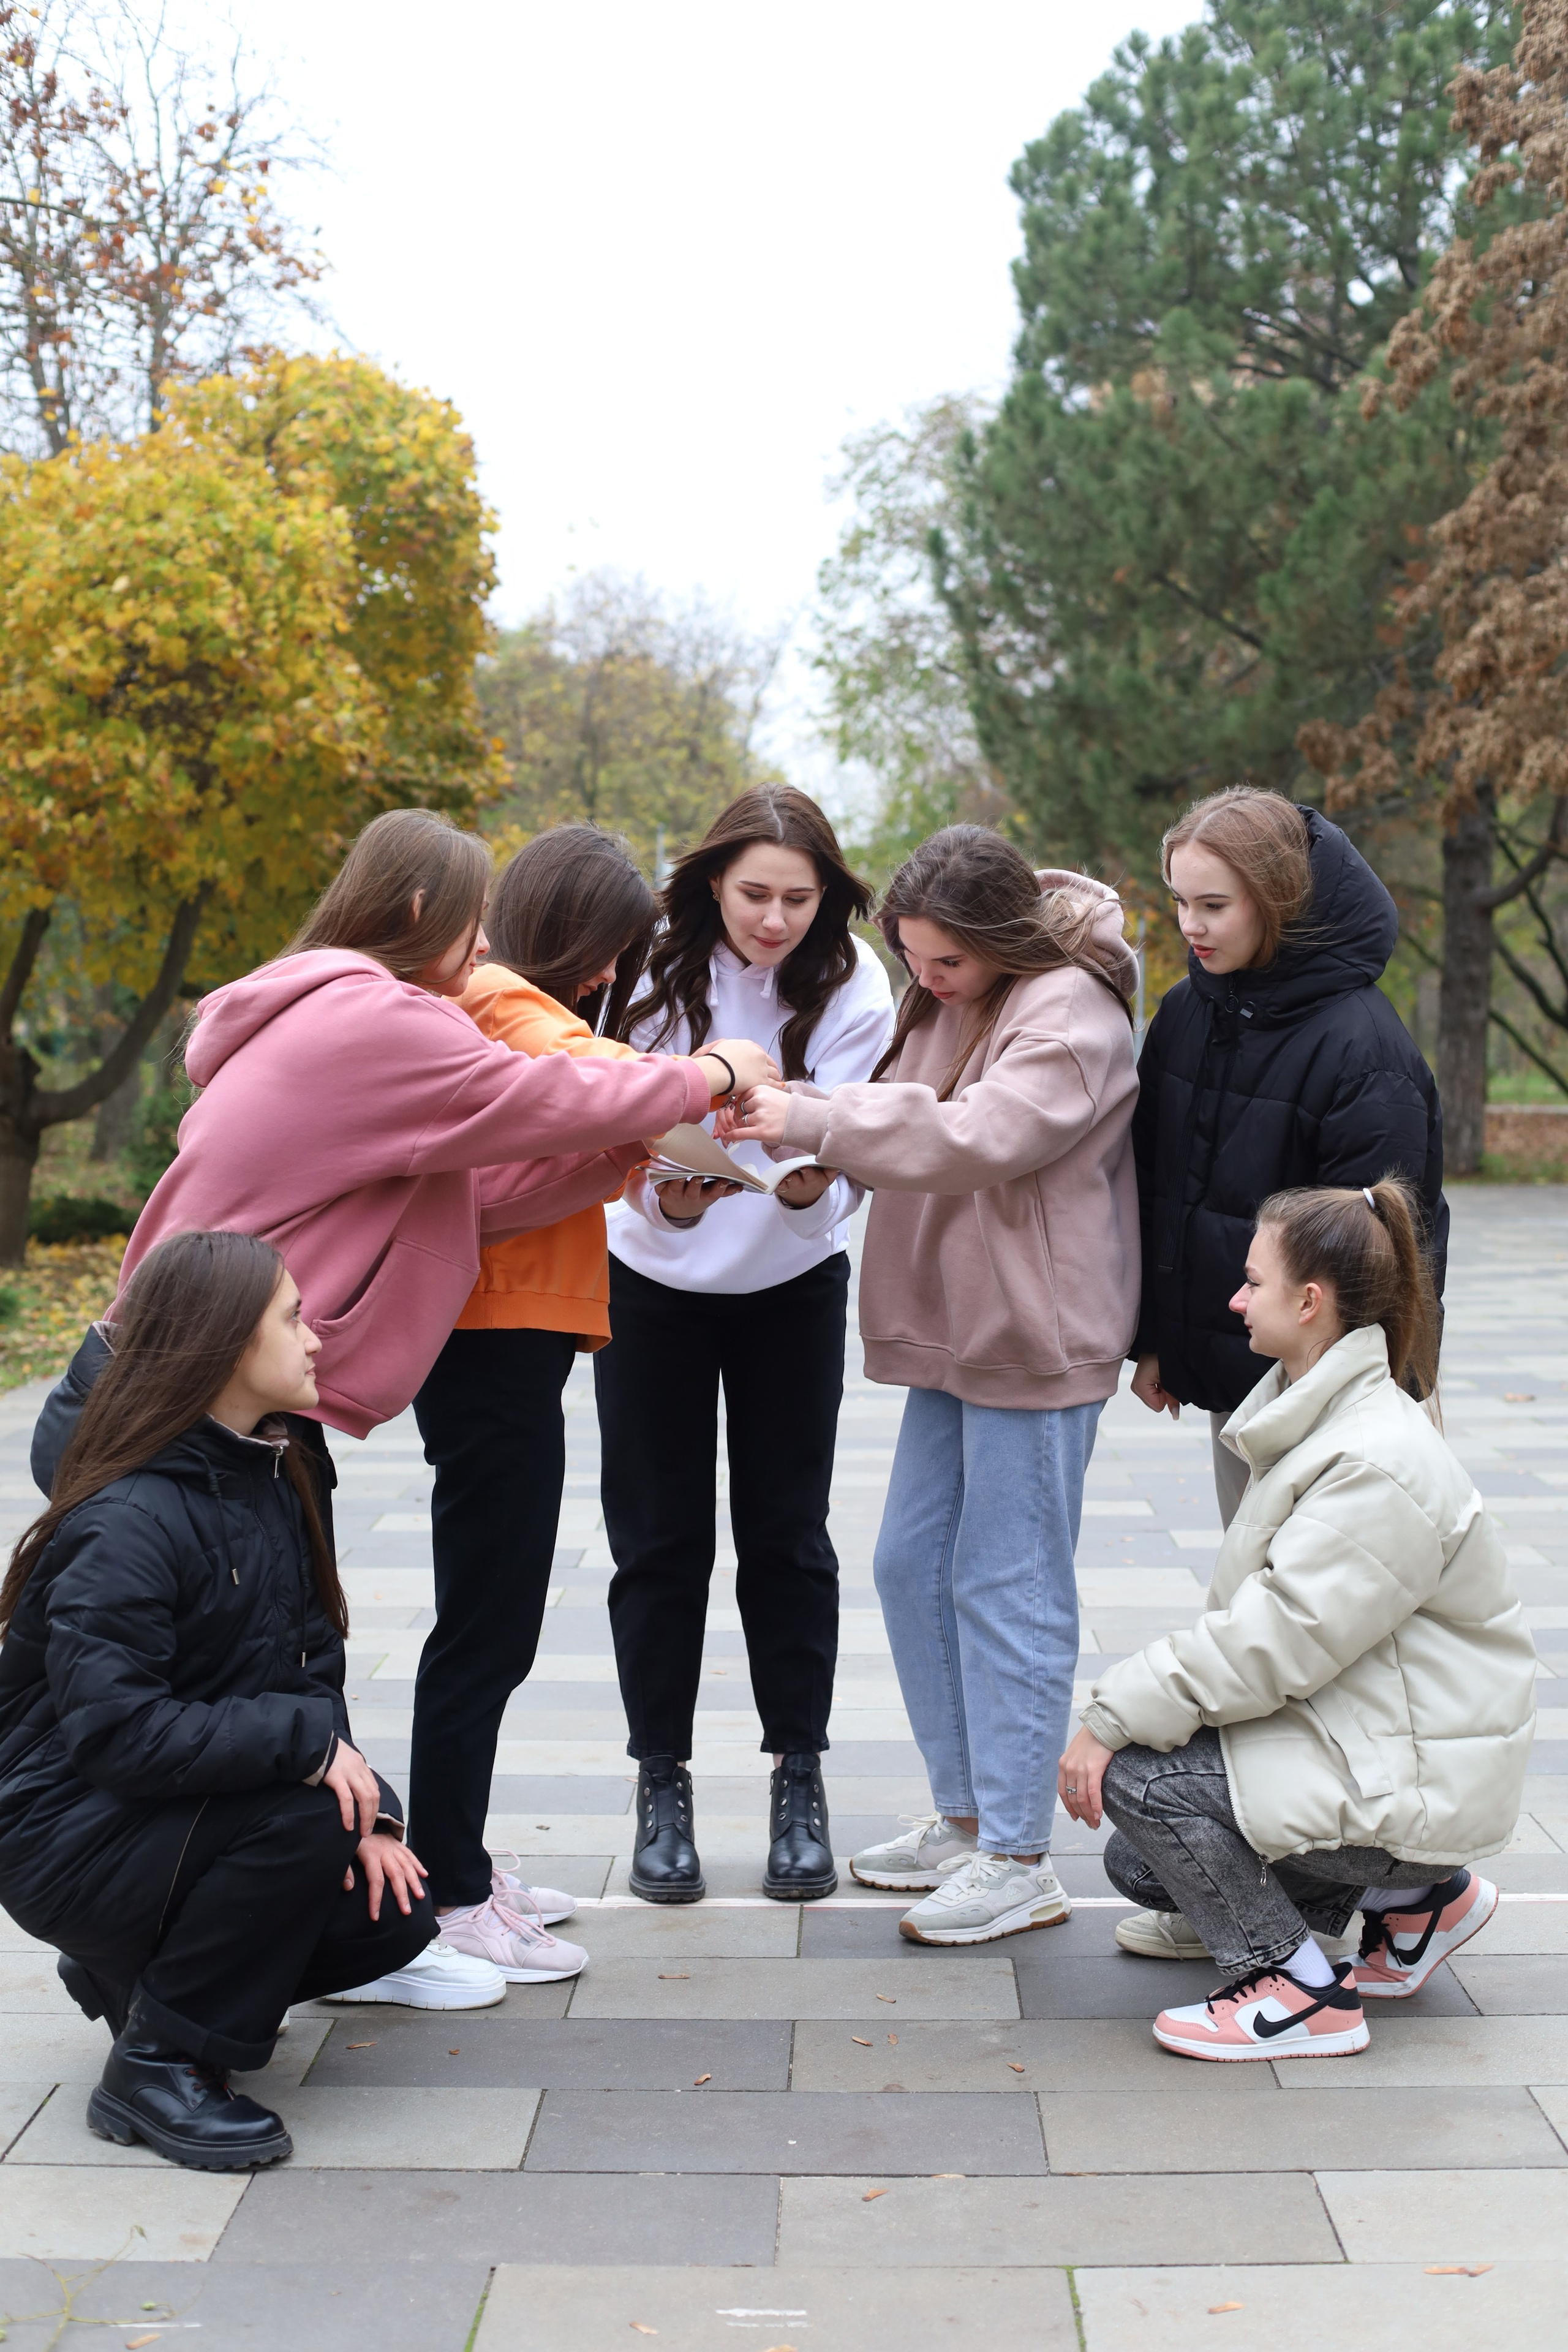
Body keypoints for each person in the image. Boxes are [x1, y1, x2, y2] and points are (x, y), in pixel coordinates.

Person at [31, 807, 777, 2007]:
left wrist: (639, 1155)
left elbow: (478, 1193)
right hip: (161, 1411)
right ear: (427, 912)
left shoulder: (346, 1021)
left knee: (286, 1661)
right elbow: (540, 1102)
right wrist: (712, 1074)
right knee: (246, 1692)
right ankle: (235, 1950)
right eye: (475, 921)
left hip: (206, 1404)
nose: (487, 950)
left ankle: (330, 1920)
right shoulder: (375, 1019)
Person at [731, 827, 1139, 1945]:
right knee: (914, 1564)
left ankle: (1017, 1853)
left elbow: (981, 1134)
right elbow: (908, 1112)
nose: (927, 979)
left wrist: (817, 1117)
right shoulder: (953, 993)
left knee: (1009, 1584)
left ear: (1001, 940)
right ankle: (968, 1819)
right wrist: (832, 1149)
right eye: (914, 958)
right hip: (957, 1327)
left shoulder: (1073, 1010)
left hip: (1034, 1333)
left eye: (945, 962)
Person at [1058, 1179, 1534, 2061]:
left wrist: (1111, 1716)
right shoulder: (1325, 1413)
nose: (1235, 1299)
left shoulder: (1375, 1461)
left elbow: (1272, 1641)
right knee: (1141, 1864)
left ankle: (1295, 1988)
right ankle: (1417, 1903)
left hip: (1418, 1780)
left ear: (1310, 1304)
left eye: (1252, 1283)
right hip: (1385, 1747)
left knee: (1140, 1784)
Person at [0, 1231, 443, 2171]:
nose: (315, 1335)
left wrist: (373, 1814)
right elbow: (116, 1733)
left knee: (389, 1912)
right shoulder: (127, 1519)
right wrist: (311, 1759)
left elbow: (309, 1665)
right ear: (223, 1345)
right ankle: (157, 2068)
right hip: (59, 1832)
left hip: (154, 1812)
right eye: (291, 1317)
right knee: (301, 1814)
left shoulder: (266, 1469)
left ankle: (139, 1980)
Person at [595, 786, 894, 1902]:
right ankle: (659, 1784)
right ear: (713, 878)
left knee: (787, 1537)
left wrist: (820, 1182)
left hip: (792, 1287)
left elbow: (858, 1140)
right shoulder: (648, 965)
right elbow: (614, 1125)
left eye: (799, 899)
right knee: (658, 1543)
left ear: (830, 898)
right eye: (755, 893)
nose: (774, 920)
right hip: (651, 1287)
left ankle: (798, 1777)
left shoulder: (857, 981)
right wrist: (663, 1207)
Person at [408, 824, 657, 1981]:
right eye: (605, 949)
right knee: (486, 1623)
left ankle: (457, 1859)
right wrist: (699, 1092)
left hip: (516, 1339)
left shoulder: (506, 1006)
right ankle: (447, 1888)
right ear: (562, 926)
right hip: (493, 1343)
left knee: (492, 1619)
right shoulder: (502, 993)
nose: (609, 976)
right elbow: (596, 1083)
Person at [1131, 786, 1445, 1526]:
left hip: (1337, 1396)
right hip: (1236, 1372)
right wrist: (1158, 1343)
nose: (1190, 926)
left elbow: (1380, 1251)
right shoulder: (1185, 1011)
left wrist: (1348, 1392)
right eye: (1180, 901)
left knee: (1329, 1607)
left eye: (1213, 905)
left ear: (1274, 899)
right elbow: (1158, 1189)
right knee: (1254, 1595)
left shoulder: (1364, 1048)